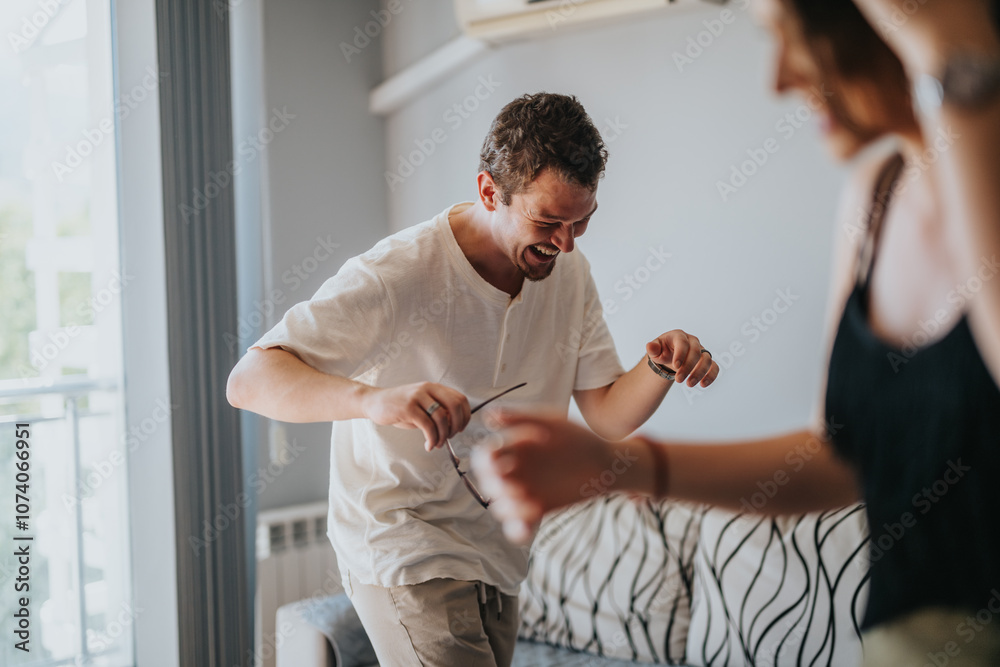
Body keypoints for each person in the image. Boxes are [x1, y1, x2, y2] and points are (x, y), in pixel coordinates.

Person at [476, 0, 1000, 663]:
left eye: (795, 37)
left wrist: (959, 62)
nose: (777, 79)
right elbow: (842, 454)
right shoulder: (874, 199)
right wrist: (615, 467)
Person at [226, 92, 720, 667]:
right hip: (403, 540)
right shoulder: (401, 273)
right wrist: (374, 400)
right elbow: (251, 378)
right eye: (549, 222)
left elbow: (607, 413)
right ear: (490, 192)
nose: (566, 242)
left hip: (500, 552)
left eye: (582, 220)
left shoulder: (570, 273)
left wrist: (660, 367)